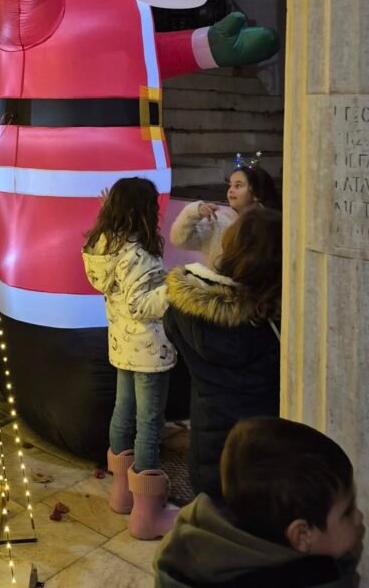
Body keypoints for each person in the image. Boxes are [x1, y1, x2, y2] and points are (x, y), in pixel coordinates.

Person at [154, 416, 364, 587]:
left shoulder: (186, 554)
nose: (359, 517)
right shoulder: (317, 577)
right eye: (347, 512)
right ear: (302, 535)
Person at [163, 208, 282, 500]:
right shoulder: (275, 320)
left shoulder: (186, 309)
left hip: (208, 447)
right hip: (265, 450)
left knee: (214, 513)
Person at [82, 177, 177, 539]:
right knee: (149, 423)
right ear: (143, 210)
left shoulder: (107, 246)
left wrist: (107, 211)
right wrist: (176, 286)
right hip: (149, 350)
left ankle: (122, 494)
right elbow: (142, 305)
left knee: (123, 413)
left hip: (122, 344)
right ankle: (147, 515)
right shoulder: (140, 254)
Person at [170, 161, 280, 270]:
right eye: (230, 185)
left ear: (256, 194)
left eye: (238, 186)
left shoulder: (269, 225)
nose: (231, 190)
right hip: (219, 281)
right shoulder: (218, 222)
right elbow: (179, 240)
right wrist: (194, 212)